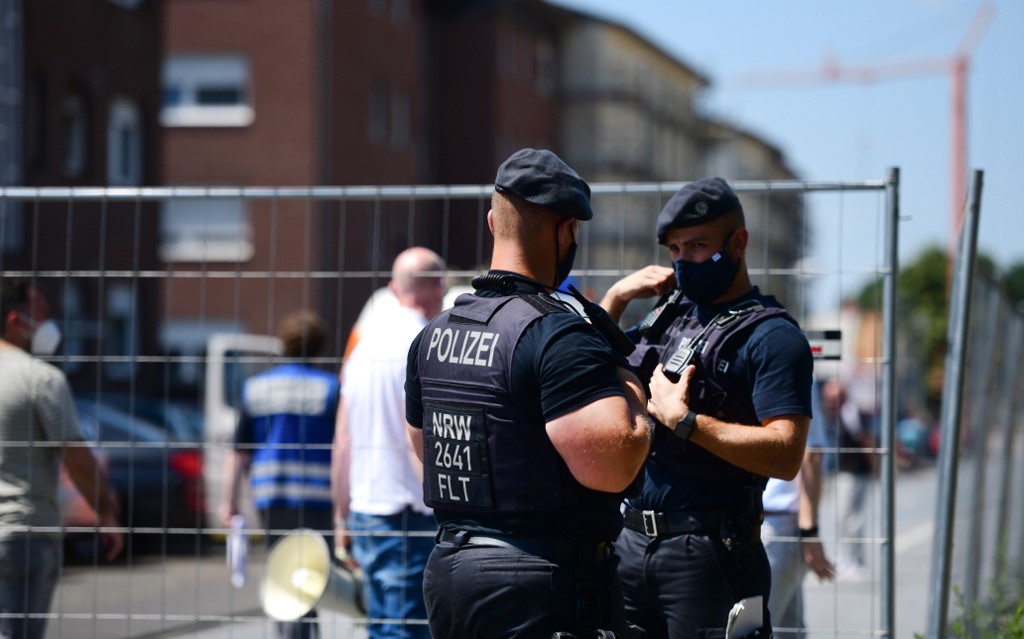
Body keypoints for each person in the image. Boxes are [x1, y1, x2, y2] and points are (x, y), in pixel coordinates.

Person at [404, 148, 653, 638]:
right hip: (539, 584)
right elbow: (615, 463)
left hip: (452, 574)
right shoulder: (559, 334)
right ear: (566, 231)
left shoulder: (434, 333)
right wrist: (632, 385)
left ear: (493, 222)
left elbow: (425, 449)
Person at [599, 176, 814, 638]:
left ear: (738, 243)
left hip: (712, 553)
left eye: (697, 246)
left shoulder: (773, 337)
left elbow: (787, 453)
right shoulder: (669, 315)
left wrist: (687, 423)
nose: (683, 261)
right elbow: (594, 365)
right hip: (631, 544)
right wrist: (616, 298)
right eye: (675, 249)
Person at [332, 247, 447, 638]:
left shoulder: (362, 348)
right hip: (410, 512)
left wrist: (341, 517)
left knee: (381, 624)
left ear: (394, 289)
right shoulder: (425, 343)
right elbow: (416, 433)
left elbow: (342, 439)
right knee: (406, 627)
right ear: (438, 286)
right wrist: (446, 505)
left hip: (365, 509)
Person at [0, 280, 124, 639]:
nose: (48, 322)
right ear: (15, 320)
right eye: (41, 313)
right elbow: (76, 457)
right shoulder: (41, 379)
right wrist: (105, 513)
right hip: (24, 532)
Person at [221, 309, 338, 639]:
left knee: (281, 572)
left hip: (270, 497)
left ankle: (288, 632)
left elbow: (238, 453)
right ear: (319, 346)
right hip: (318, 499)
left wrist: (228, 503)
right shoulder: (330, 389)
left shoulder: (255, 388)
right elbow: (343, 448)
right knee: (311, 576)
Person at [761, 382, 834, 638]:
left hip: (776, 525)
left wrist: (809, 531)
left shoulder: (787, 370)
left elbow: (811, 454)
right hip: (780, 524)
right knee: (787, 629)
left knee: (762, 626)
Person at [823, 376, 875, 579]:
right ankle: (847, 557)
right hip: (844, 471)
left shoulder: (850, 413)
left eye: (832, 397)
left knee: (853, 519)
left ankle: (855, 560)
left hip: (855, 472)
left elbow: (864, 439)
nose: (829, 401)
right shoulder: (837, 414)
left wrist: (873, 466)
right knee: (842, 517)